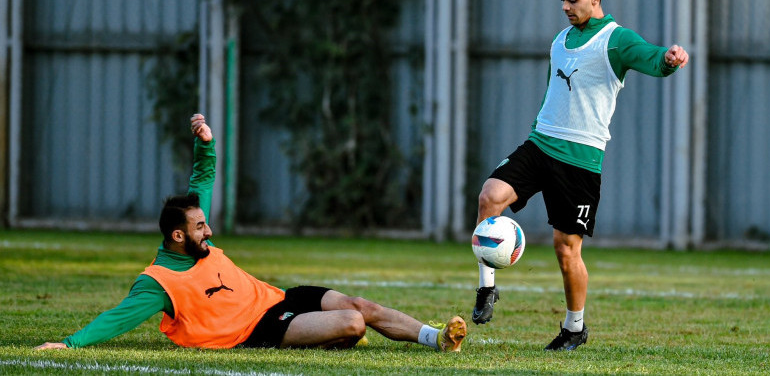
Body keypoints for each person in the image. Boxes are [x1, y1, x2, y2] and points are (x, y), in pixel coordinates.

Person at [36, 114, 466, 352]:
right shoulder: (158, 282)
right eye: (201, 227)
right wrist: (69, 344)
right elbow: (117, 318)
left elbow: (202, 175)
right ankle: (324, 336)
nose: (210, 229)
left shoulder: (195, 232)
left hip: (278, 298)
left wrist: (205, 142)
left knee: (358, 304)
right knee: (353, 323)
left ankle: (435, 338)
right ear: (178, 237)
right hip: (256, 329)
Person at [470, 0, 689, 351]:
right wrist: (536, 130)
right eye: (562, 0)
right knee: (490, 196)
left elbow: (650, 57)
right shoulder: (559, 41)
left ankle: (574, 328)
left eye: (572, 0)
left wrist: (669, 60)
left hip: (580, 160)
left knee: (565, 249)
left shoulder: (615, 39)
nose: (566, 7)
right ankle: (487, 289)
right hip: (540, 144)